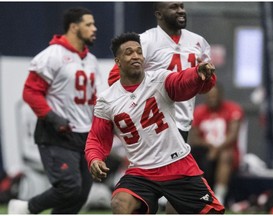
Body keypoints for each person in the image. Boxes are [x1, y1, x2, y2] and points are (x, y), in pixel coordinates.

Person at [85, 32, 225, 214]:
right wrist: (94, 159)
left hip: (177, 166)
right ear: (118, 61)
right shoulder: (106, 100)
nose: (135, 56)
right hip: (141, 172)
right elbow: (96, 138)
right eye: (128, 52)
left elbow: (181, 83)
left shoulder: (159, 78)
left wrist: (196, 74)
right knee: (120, 203)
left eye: (138, 51)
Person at [108, 2, 212, 212]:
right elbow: (115, 79)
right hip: (153, 127)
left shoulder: (199, 42)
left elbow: (206, 85)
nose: (181, 11)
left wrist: (205, 77)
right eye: (174, 7)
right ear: (159, 14)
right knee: (142, 196)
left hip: (181, 125)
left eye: (182, 6)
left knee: (180, 201)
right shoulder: (145, 41)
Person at [8, 7, 100, 214]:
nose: (94, 29)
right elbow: (30, 92)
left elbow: (92, 99)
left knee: (81, 193)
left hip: (84, 135)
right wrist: (52, 117)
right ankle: (26, 208)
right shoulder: (52, 55)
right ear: (74, 27)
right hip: (57, 133)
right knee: (69, 187)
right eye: (89, 24)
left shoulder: (91, 60)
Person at [188, 84, 244, 205]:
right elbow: (194, 138)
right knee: (189, 154)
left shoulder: (233, 109)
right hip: (206, 152)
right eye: (210, 96)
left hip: (226, 154)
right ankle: (190, 193)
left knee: (226, 154)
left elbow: (233, 135)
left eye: (215, 96)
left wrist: (217, 149)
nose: (212, 99)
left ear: (221, 96)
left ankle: (219, 196)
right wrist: (209, 147)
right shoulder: (199, 112)